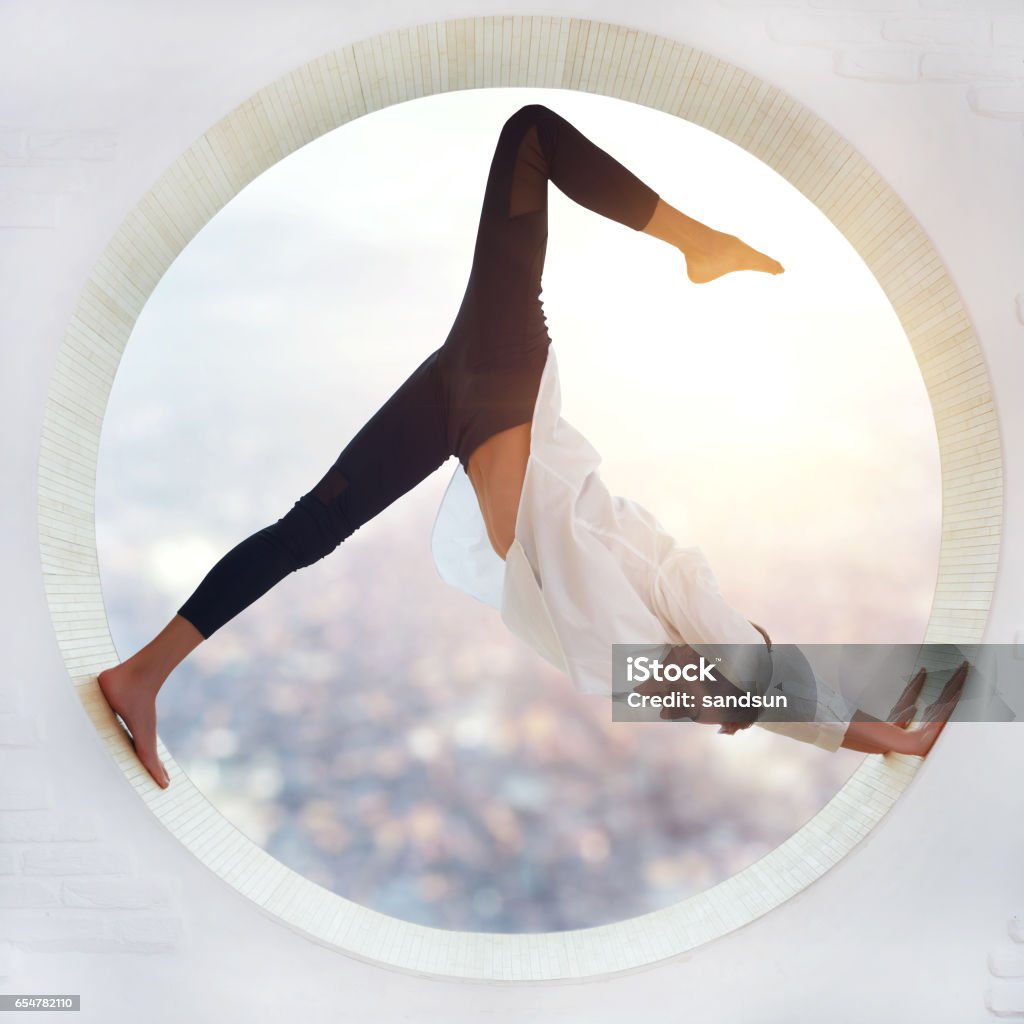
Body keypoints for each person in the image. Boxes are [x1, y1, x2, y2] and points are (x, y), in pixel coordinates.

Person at [97, 104, 964, 790]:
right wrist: (883, 728)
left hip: (487, 392)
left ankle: (699, 247)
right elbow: (764, 685)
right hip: (489, 401)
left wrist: (876, 731)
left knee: (531, 135)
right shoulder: (679, 624)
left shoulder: (652, 649)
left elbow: (759, 692)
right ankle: (141, 674)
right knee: (305, 533)